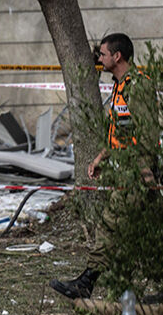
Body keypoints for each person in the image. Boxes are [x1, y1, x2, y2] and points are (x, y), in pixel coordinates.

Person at [50, 33, 156, 299]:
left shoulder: (138, 86)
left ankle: (86, 282)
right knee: (147, 230)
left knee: (110, 224)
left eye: (103, 54)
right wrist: (99, 159)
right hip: (123, 169)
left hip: (135, 173)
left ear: (117, 56)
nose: (99, 58)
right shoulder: (120, 86)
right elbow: (120, 131)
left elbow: (147, 134)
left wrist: (144, 171)